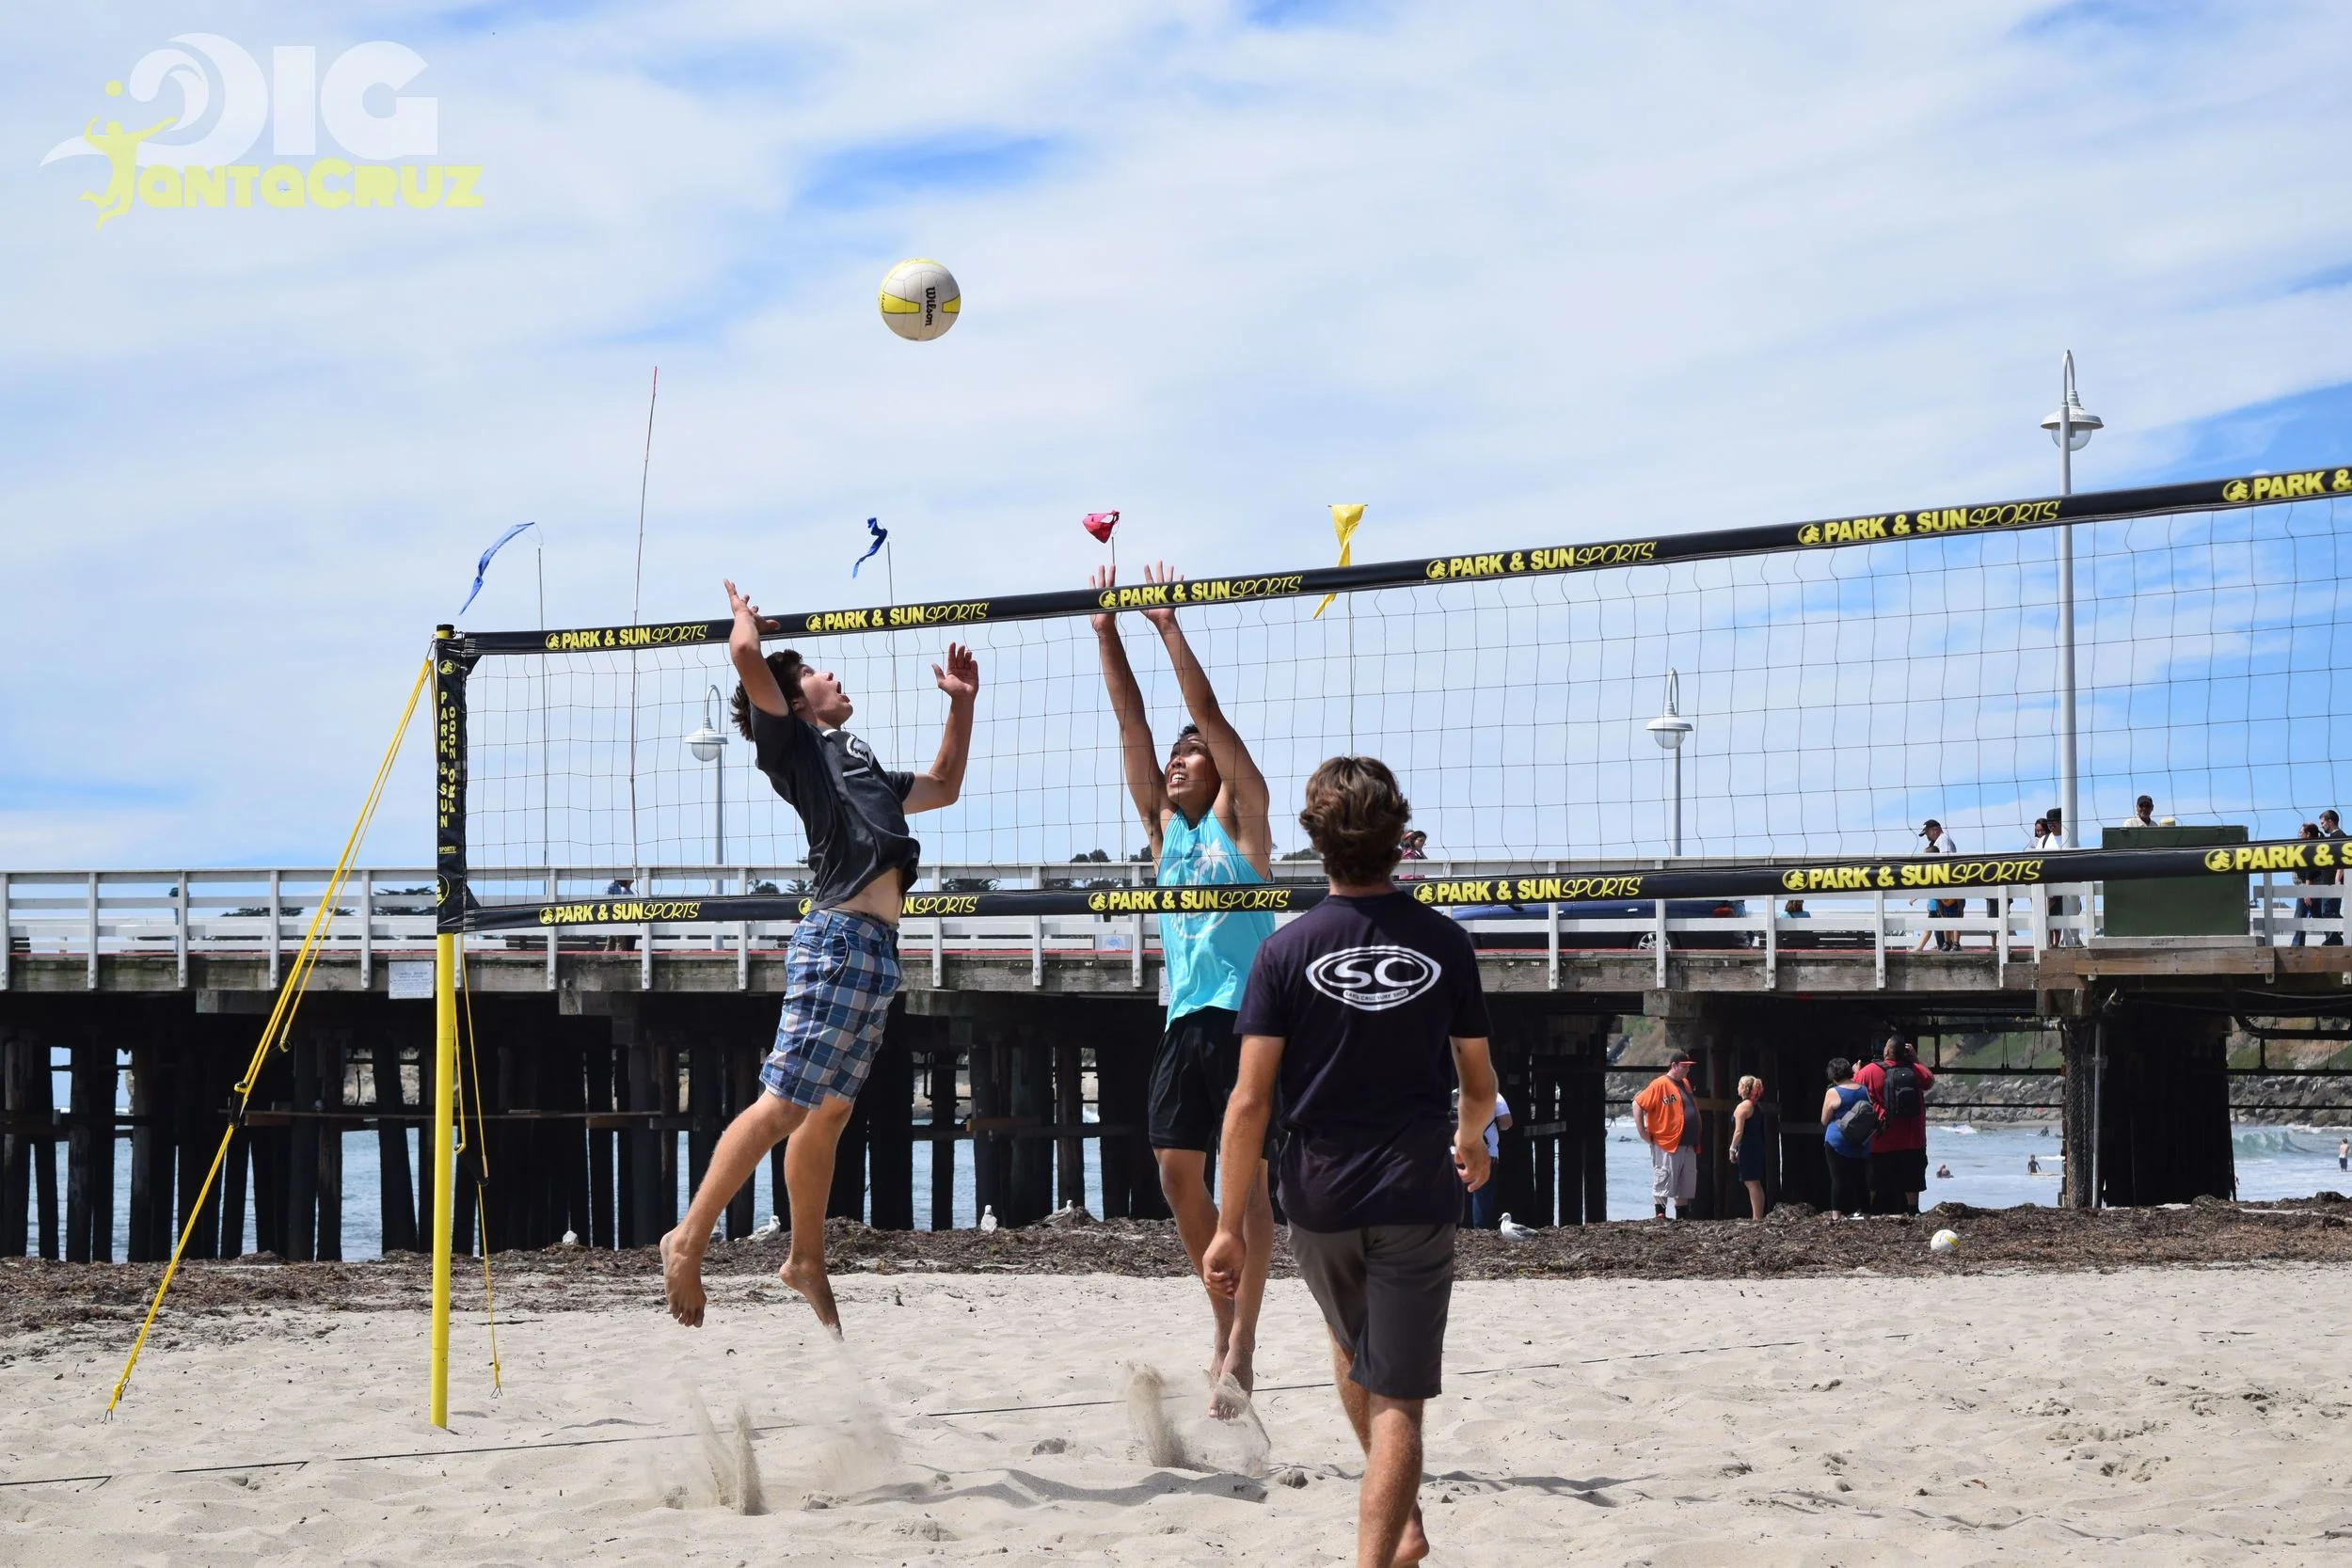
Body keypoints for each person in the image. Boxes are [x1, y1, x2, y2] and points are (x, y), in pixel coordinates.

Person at [660, 580, 977, 1333]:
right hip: (837, 940)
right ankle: (688, 1238)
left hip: (876, 953)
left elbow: (947, 785)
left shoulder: (860, 762)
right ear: (796, 702)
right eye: (819, 675)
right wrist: (748, 627)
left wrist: (961, 702)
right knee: (784, 1104)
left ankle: (805, 1257)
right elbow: (745, 656)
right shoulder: (796, 747)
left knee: (828, 1115)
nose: (835, 677)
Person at [1205, 755, 1495, 1568]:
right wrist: (1471, 1138)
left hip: (1320, 1197)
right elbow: (1479, 1082)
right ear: (1402, 838)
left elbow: (1248, 1104)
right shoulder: (1445, 942)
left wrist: (1230, 1226)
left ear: (1315, 843)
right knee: (1397, 1393)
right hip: (1412, 1188)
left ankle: (1398, 1526)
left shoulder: (1283, 951)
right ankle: (1383, 1551)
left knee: (1353, 1346)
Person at [1092, 562, 1278, 1409]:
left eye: (1190, 756)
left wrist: (1170, 629)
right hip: (1181, 1020)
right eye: (1174, 757)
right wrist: (1108, 633)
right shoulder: (1165, 830)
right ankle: (1222, 1307)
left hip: (1246, 1019)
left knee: (1248, 1190)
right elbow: (1131, 723)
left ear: (1218, 773)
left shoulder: (1243, 820)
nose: (1176, 761)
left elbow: (1208, 719)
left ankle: (1238, 1346)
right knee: (1175, 1172)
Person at [1854, 1035, 1937, 1215]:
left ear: (1886, 1051)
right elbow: (1929, 1080)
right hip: (1912, 1137)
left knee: (1873, 1177)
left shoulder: (1870, 1071)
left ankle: (1865, 1210)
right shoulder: (1914, 1070)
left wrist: (1856, 1070)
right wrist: (1915, 1059)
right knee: (1912, 1177)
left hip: (1881, 1136)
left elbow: (1854, 1087)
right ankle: (1913, 1210)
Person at [1633, 1052, 1701, 1219]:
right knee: (1663, 1180)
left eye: (1689, 1067)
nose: (1687, 1070)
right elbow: (1637, 1103)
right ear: (1674, 1066)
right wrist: (1642, 1132)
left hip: (1688, 1144)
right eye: (1684, 1066)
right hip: (1667, 1142)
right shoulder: (1660, 1084)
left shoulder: (1685, 1083)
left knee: (1685, 1184)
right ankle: (1660, 1215)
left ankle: (1682, 1217)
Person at [1819, 1058, 1870, 1220]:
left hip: (1837, 1140)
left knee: (1838, 1178)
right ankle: (1866, 1213)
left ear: (1833, 1075)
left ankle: (1836, 1216)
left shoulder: (1833, 1092)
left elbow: (1824, 1120)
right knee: (1860, 1178)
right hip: (1860, 1139)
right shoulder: (1863, 1089)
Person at [1465, 1090, 1511, 1228]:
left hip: (1457, 1153)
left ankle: (1459, 1232)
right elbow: (1506, 1123)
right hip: (1484, 1153)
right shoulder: (1494, 1095)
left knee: (1459, 1196)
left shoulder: (1455, 1094)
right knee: (1481, 1196)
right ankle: (1480, 1232)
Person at [1915, 819, 1962, 953]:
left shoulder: (1943, 840)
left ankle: (1950, 943)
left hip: (1946, 886)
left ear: (1934, 829)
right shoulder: (1940, 841)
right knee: (1944, 917)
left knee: (1948, 916)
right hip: (1944, 887)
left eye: (1927, 833)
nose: (1927, 837)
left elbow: (1945, 861)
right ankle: (1948, 944)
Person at [2036, 810, 2078, 947]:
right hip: (2048, 883)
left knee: (2062, 915)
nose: (2051, 825)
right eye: (2049, 822)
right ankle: (2047, 943)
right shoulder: (2044, 840)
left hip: (2065, 884)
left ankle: (2059, 942)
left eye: (2054, 822)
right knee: (2047, 912)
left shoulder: (2071, 839)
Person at [1727, 1075, 1766, 1220]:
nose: (1737, 1088)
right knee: (1756, 1182)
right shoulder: (1755, 1106)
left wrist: (1732, 1148)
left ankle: (1757, 1218)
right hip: (1757, 1145)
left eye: (1739, 1085)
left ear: (1744, 1088)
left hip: (1748, 1147)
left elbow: (1738, 1131)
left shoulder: (1742, 1106)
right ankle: (1758, 1216)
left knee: (1750, 1182)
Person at [2291, 822, 2325, 945]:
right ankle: (2334, 936)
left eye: (2301, 833)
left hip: (2308, 887)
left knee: (2301, 916)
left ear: (2308, 834)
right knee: (2319, 915)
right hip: (2306, 887)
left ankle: (2297, 945)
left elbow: (2310, 871)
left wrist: (2307, 891)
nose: (2299, 835)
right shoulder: (2306, 848)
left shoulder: (2311, 849)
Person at [2320, 810, 2346, 946]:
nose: (2322, 826)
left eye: (2323, 823)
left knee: (2328, 911)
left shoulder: (2340, 836)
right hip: (2328, 882)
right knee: (2328, 911)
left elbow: (2343, 860)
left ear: (2330, 821)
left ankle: (2344, 927)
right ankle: (2334, 939)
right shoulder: (2330, 838)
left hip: (2332, 882)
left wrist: (2337, 879)